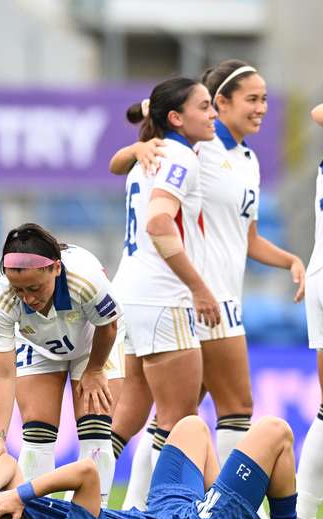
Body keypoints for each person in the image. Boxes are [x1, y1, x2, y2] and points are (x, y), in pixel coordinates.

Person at [106, 60, 305, 518]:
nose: (262, 108)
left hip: (196, 292)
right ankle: (236, 515)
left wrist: (291, 260)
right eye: (251, 99)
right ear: (219, 103)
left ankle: (134, 507)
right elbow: (157, 209)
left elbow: (249, 239)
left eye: (265, 99)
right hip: (197, 292)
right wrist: (138, 144)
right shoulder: (202, 148)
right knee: (230, 409)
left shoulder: (247, 160)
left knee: (167, 416)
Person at [0, 415, 323, 519]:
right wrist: (18, 496)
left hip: (161, 517)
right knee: (275, 432)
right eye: (11, 507)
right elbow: (86, 474)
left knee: (190, 426)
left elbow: (7, 465)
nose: (15, 500)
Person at [107, 77, 220, 480]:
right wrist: (199, 287)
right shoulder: (180, 156)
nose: (213, 115)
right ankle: (165, 517)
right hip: (162, 296)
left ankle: (81, 504)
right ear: (176, 117)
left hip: (131, 293)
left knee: (129, 415)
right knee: (179, 420)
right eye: (204, 107)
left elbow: (118, 161)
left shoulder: (149, 154)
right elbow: (158, 222)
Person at [0, 223, 124, 508]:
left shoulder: (84, 280)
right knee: (37, 433)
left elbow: (108, 326)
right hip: (39, 347)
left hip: (95, 343)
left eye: (34, 287)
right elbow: (2, 374)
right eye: (18, 290)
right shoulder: (0, 299)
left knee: (95, 432)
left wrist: (96, 370)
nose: (28, 298)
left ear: (56, 269)